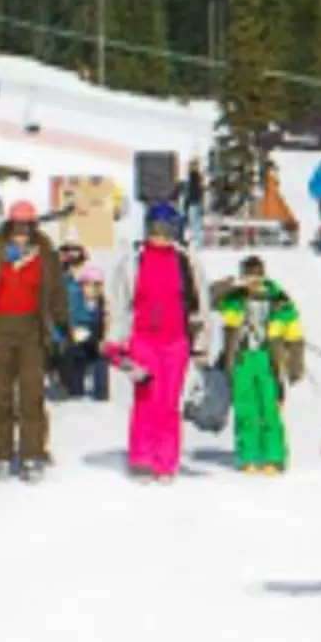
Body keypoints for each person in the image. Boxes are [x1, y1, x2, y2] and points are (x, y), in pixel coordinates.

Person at [0, 201, 70, 481]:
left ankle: (32, 452)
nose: (21, 233)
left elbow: (55, 291)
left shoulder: (45, 253)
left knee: (32, 394)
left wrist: (62, 324)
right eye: (16, 226)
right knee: (1, 394)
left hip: (31, 328)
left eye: (26, 227)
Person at [108, 203, 205, 482]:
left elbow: (200, 304)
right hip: (143, 339)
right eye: (155, 229)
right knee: (146, 397)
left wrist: (201, 343)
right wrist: (116, 342)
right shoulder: (133, 261)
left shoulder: (186, 261)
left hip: (176, 341)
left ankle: (166, 461)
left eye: (166, 230)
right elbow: (120, 305)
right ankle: (142, 457)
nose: (160, 236)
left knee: (169, 401)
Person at [213, 256, 304, 475]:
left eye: (257, 276)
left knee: (270, 408)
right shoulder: (233, 299)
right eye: (248, 277)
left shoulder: (280, 300)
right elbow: (209, 296)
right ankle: (248, 456)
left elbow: (294, 334)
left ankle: (274, 456)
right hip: (241, 359)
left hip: (268, 360)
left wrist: (295, 365)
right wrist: (232, 284)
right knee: (246, 409)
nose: (253, 282)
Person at [56, 245, 110, 402]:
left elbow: (103, 321)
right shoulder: (71, 289)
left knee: (99, 354)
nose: (91, 288)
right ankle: (74, 387)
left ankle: (99, 390)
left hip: (89, 336)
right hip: (71, 334)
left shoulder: (99, 301)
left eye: (96, 285)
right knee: (75, 354)